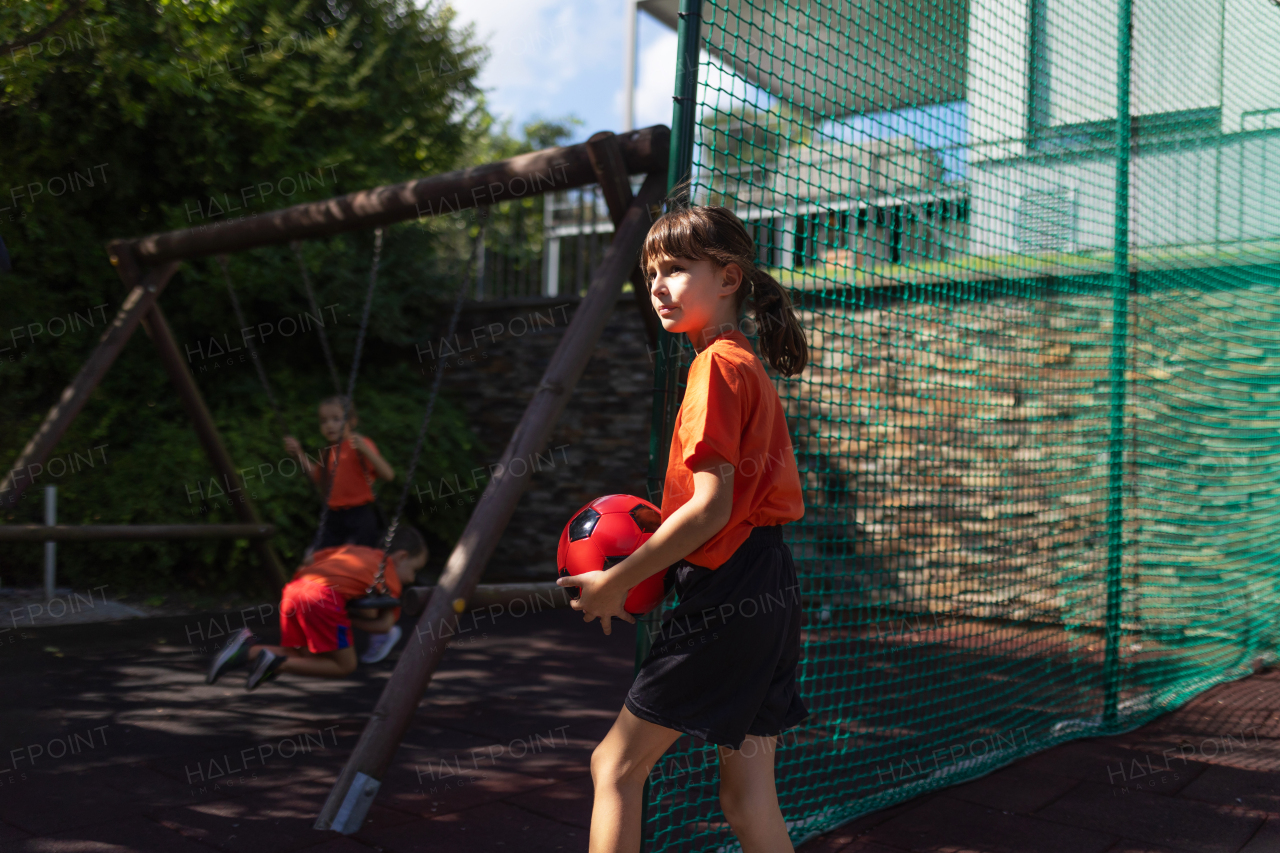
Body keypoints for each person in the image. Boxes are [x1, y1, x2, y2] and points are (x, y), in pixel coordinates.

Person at [556, 205, 809, 853]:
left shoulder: (716, 367)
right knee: (747, 797)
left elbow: (709, 510)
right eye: (650, 275)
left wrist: (618, 579)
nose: (658, 286)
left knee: (615, 765)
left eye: (674, 269)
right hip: (771, 585)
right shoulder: (743, 361)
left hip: (729, 591)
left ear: (728, 278)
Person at [207, 525, 427, 689]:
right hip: (322, 598)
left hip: (294, 590)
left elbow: (309, 560)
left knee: (300, 655)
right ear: (401, 557)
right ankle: (275, 663)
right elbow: (383, 625)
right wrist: (349, 618)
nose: (411, 578)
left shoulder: (354, 551)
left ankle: (247, 649)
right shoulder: (388, 574)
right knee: (345, 666)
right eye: (414, 570)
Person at [283, 395, 394, 549]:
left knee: (360, 557)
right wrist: (299, 454)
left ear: (352, 421)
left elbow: (388, 475)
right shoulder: (327, 452)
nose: (329, 425)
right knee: (324, 555)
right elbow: (318, 478)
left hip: (359, 514)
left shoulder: (360, 445)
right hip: (333, 516)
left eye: (336, 419)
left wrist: (366, 451)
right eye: (324, 421)